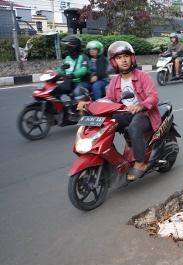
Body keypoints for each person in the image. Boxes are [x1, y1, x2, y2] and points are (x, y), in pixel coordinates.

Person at [78, 41, 160, 181]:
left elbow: (153, 97)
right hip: (125, 113)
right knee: (104, 125)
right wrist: (88, 104)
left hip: (144, 113)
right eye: (119, 57)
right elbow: (108, 100)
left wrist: (140, 106)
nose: (123, 60)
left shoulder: (143, 76)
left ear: (131, 58)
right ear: (114, 61)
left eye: (126, 56)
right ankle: (111, 159)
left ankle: (140, 164)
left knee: (134, 128)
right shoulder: (115, 82)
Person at [55, 35, 91, 105]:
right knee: (55, 90)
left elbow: (83, 70)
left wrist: (72, 75)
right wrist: (53, 74)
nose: (68, 47)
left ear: (76, 46)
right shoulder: (68, 58)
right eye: (67, 45)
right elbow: (62, 69)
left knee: (77, 92)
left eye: (70, 45)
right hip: (70, 82)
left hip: (82, 82)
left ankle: (81, 114)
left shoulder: (83, 57)